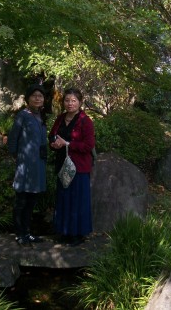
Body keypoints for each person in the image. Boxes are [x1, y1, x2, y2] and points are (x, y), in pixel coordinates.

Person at [49, 87, 95, 247]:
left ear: (80, 102)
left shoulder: (85, 121)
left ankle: (78, 234)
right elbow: (52, 135)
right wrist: (54, 143)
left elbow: (89, 145)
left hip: (79, 167)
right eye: (67, 100)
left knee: (77, 200)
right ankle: (64, 232)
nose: (70, 103)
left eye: (73, 100)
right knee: (64, 199)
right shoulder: (61, 118)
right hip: (63, 165)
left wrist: (67, 143)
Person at [8, 84, 47, 247]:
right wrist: (19, 157)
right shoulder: (22, 116)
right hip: (25, 165)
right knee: (22, 200)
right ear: (28, 98)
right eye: (34, 96)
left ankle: (27, 232)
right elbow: (12, 140)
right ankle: (19, 234)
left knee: (32, 200)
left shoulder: (41, 115)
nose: (38, 98)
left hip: (38, 164)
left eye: (40, 96)